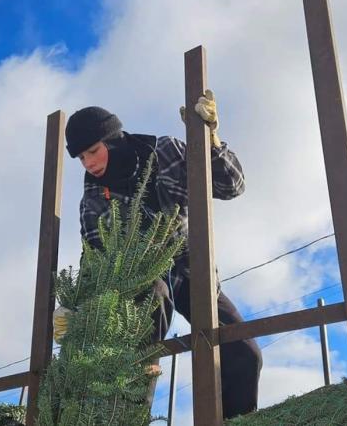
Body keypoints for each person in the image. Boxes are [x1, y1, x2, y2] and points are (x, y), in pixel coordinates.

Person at [54, 91, 262, 419]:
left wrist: (210, 140)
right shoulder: (93, 199)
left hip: (188, 266)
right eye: (81, 158)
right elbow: (95, 256)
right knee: (153, 299)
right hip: (140, 282)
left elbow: (231, 186)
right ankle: (129, 417)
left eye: (93, 151)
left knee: (244, 354)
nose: (89, 164)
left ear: (114, 139)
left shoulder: (164, 152)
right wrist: (71, 302)